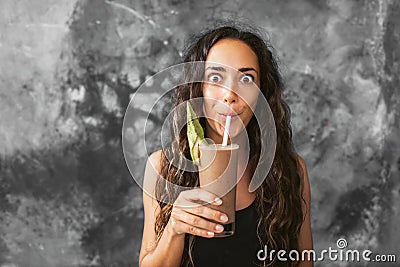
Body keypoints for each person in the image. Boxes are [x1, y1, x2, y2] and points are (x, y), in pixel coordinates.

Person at [139, 23, 313, 267]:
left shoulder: (292, 170)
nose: (230, 94)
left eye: (246, 78)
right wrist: (174, 230)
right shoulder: (162, 167)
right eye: (216, 78)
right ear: (198, 87)